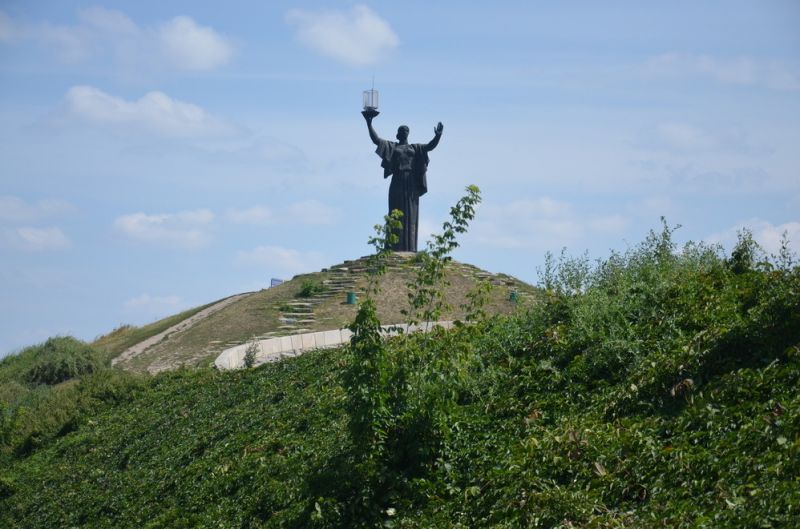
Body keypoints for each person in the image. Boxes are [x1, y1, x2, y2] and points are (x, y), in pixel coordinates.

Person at [363, 112, 443, 252]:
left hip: (411, 184)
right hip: (397, 182)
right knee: (396, 212)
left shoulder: (415, 148)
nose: (404, 132)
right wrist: (369, 124)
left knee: (411, 214)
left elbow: (430, 146)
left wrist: (438, 136)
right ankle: (394, 247)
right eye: (401, 130)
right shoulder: (393, 147)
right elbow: (376, 140)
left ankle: (410, 248)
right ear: (397, 135)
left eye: (406, 130)